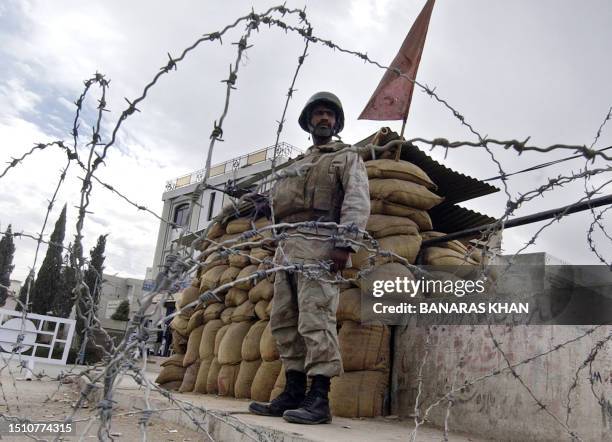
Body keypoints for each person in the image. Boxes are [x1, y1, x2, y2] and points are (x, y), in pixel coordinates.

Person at [249, 92, 370, 424]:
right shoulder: (298, 165)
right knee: (284, 321)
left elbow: (357, 200)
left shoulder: (346, 156)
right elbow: (282, 205)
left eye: (330, 115)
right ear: (308, 121)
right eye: (318, 114)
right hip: (288, 247)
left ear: (336, 123)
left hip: (320, 243)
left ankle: (319, 399)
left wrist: (345, 244)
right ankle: (293, 391)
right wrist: (263, 206)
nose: (324, 119)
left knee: (316, 319)